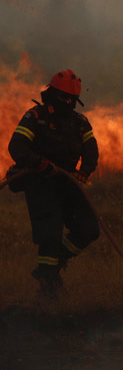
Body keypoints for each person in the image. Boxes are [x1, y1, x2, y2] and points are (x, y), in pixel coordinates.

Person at [7, 69, 99, 298]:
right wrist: (38, 163)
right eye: (63, 97)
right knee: (49, 234)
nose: (67, 102)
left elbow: (91, 150)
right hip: (40, 183)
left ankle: (56, 262)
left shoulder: (80, 123)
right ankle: (48, 287)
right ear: (52, 93)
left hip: (67, 183)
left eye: (71, 99)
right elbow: (17, 146)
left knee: (89, 228)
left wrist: (85, 172)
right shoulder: (36, 116)